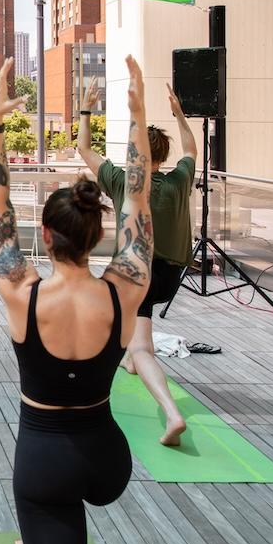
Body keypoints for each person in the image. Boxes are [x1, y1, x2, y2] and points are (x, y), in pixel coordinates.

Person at [0, 56, 153, 544]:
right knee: (70, 510)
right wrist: (137, 121)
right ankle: (51, 534)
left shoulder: (21, 292)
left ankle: (47, 537)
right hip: (108, 462)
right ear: (97, 235)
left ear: (46, 237)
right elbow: (138, 203)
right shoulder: (125, 287)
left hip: (45, 464)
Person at [77, 77, 196, 446]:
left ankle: (172, 415)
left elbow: (83, 148)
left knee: (141, 344)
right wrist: (180, 115)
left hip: (137, 275)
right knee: (129, 327)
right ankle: (129, 359)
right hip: (172, 275)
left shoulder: (122, 180)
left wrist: (85, 110)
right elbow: (192, 149)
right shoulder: (179, 180)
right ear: (162, 155)